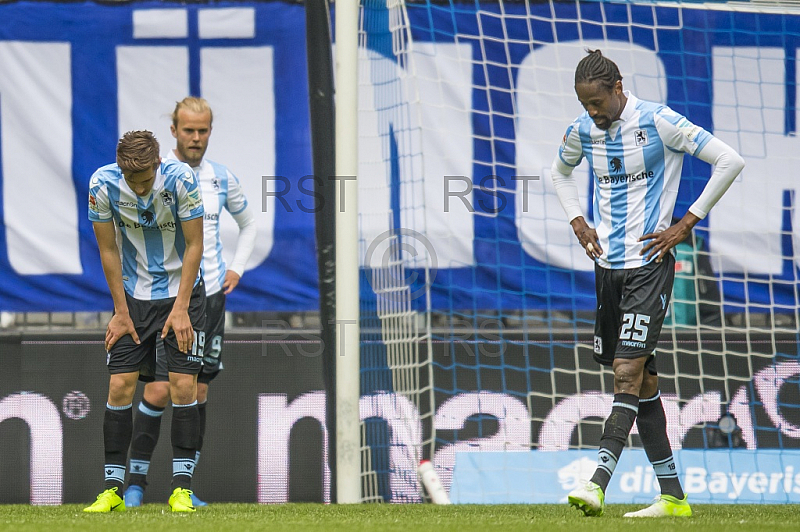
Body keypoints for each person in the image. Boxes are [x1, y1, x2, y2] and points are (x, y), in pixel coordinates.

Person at [551, 50, 745, 518]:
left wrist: (686, 224)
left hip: (649, 264)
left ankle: (597, 483)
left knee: (626, 372)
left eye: (597, 103)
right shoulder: (583, 131)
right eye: (585, 105)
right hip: (608, 270)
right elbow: (558, 172)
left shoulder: (659, 121)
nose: (592, 113)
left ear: (618, 88)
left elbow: (729, 161)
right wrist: (578, 220)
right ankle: (673, 497)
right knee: (644, 383)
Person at [123, 97, 256, 507]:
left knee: (197, 392)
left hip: (209, 300)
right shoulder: (158, 178)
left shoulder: (221, 178)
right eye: (188, 130)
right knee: (160, 389)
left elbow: (248, 223)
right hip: (167, 299)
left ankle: (184, 489)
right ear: (174, 131)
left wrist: (237, 268)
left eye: (203, 131)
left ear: (210, 132)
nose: (195, 138)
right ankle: (135, 483)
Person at [84, 130, 206, 513]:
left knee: (183, 385)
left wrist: (182, 307)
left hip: (181, 295)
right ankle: (112, 490)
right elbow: (107, 249)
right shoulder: (102, 184)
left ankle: (181, 489)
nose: (138, 190)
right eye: (131, 182)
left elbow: (195, 245)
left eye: (145, 181)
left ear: (157, 164)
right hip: (133, 299)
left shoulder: (181, 178)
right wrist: (120, 311)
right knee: (120, 385)